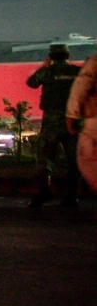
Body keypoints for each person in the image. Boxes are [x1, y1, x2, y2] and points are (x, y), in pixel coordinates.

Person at [28, 44, 83, 207]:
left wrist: (45, 66)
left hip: (52, 121)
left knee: (45, 157)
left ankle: (45, 191)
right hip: (73, 121)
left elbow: (31, 82)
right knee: (74, 159)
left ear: (51, 57)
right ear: (67, 55)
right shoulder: (76, 72)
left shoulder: (48, 72)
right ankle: (71, 196)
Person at [66, 53, 97, 195]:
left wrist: (72, 114)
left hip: (93, 119)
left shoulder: (94, 62)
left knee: (88, 161)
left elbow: (82, 84)